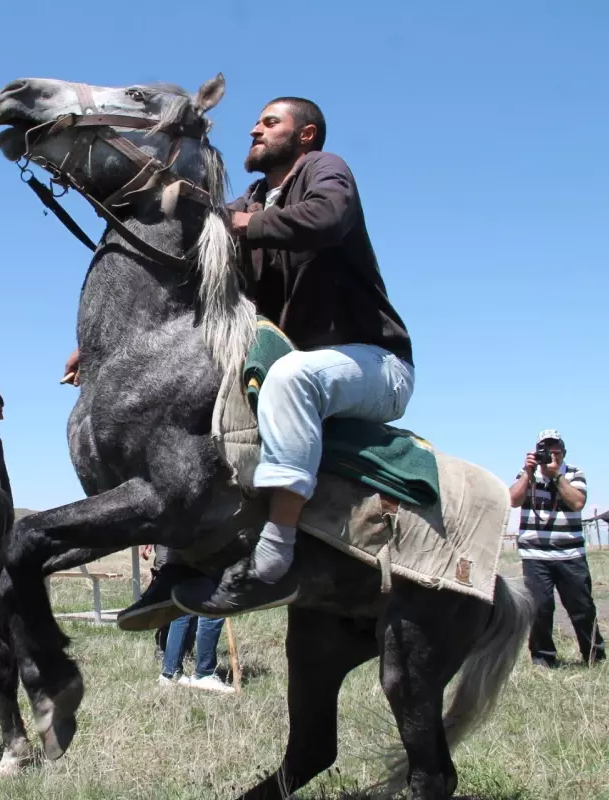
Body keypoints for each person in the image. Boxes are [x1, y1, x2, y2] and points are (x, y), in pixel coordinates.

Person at [172, 97, 415, 618]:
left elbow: (329, 217)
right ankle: (186, 556)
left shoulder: (325, 171)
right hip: (304, 374)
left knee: (290, 376)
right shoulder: (252, 200)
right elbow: (192, 264)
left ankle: (273, 561)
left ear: (305, 135)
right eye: (256, 123)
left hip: (377, 365)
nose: (254, 130)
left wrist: (240, 227)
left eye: (269, 122)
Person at [510, 429, 605, 667]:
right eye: (546, 450)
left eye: (556, 451)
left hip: (570, 554)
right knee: (540, 608)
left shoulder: (573, 473)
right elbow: (512, 499)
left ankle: (595, 656)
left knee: (582, 607)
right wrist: (528, 473)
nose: (551, 456)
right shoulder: (527, 474)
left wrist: (556, 477)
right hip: (535, 555)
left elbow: (577, 503)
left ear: (564, 452)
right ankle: (543, 658)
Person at [143, 546, 236, 694]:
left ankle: (171, 672)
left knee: (184, 609)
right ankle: (204, 673)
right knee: (214, 605)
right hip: (204, 544)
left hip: (182, 545)